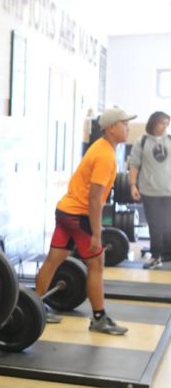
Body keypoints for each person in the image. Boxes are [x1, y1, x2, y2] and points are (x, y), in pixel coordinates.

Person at [35, 107, 136, 335]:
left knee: (54, 259)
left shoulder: (101, 148)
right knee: (96, 264)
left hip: (65, 210)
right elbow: (94, 199)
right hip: (78, 214)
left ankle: (35, 305)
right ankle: (99, 318)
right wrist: (97, 233)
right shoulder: (105, 155)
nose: (128, 128)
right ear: (111, 128)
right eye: (124, 124)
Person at [128, 111, 171, 269]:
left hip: (169, 191)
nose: (165, 126)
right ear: (153, 123)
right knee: (155, 225)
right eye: (162, 123)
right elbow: (134, 164)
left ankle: (167, 255)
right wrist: (133, 185)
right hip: (150, 191)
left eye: (167, 123)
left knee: (168, 225)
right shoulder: (142, 141)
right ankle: (155, 257)